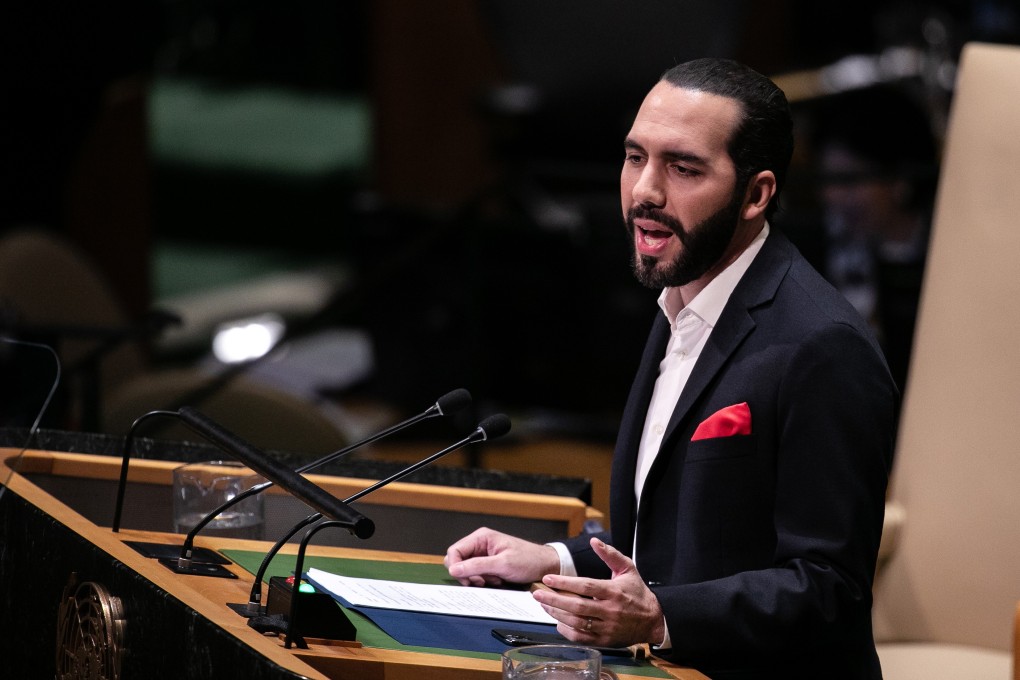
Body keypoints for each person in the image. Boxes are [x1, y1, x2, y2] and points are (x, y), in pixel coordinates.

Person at [444, 58, 898, 679]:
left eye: (683, 168)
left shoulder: (823, 346)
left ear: (756, 194)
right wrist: (555, 560)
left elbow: (828, 587)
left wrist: (659, 618)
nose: (646, 192)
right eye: (636, 158)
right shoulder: (679, 299)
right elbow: (679, 543)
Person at [810, 85, 940, 395]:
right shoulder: (815, 256)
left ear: (901, 178)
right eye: (827, 181)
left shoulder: (948, 252)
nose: (832, 196)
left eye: (849, 181)